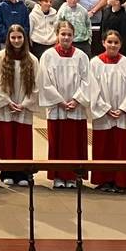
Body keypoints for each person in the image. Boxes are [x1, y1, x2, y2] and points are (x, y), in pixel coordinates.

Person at [38, 20, 90, 189]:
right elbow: (44, 82)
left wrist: (76, 100)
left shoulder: (81, 56)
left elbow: (87, 81)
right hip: (57, 107)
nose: (66, 37)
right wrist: (59, 101)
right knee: (57, 142)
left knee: (75, 142)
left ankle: (74, 176)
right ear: (57, 35)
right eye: (63, 34)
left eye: (69, 34)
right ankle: (58, 176)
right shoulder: (48, 55)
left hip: (76, 107)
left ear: (74, 36)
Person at [89, 30, 126, 192]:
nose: (112, 45)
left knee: (121, 147)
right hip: (104, 113)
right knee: (103, 146)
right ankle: (103, 179)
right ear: (103, 43)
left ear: (121, 44)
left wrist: (123, 108)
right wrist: (105, 108)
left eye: (116, 42)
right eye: (109, 42)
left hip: (121, 114)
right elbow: (92, 89)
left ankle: (121, 181)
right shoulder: (95, 63)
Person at [0, 25, 38, 186]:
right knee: (8, 138)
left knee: (22, 139)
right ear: (8, 39)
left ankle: (23, 173)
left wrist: (25, 104)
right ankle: (7, 171)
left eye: (19, 37)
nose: (16, 41)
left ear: (24, 39)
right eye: (13, 38)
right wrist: (7, 102)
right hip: (7, 106)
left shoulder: (32, 59)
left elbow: (35, 86)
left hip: (23, 107)